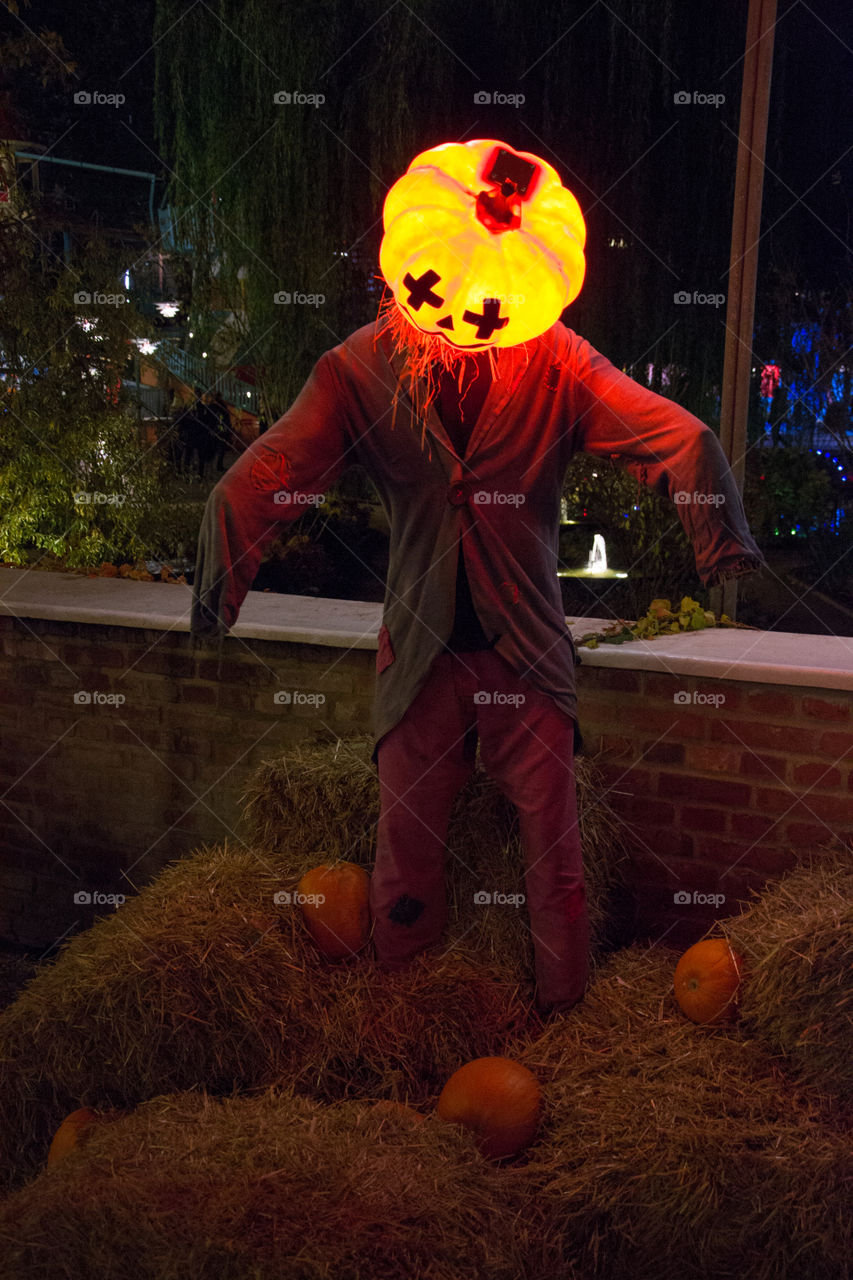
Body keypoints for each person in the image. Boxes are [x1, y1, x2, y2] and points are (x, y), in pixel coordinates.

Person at [191, 140, 765, 1015]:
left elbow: (675, 436)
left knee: (553, 850)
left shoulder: (556, 362)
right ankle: (403, 1011)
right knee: (406, 846)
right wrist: (217, 587)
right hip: (420, 651)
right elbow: (266, 474)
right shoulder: (360, 369)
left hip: (524, 651)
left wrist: (718, 538)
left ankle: (561, 1013)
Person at [209, 391, 233, 472]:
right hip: (218, 430)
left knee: (219, 449)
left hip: (219, 431)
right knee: (219, 449)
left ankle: (217, 465)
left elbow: (226, 419)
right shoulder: (216, 407)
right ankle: (217, 465)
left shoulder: (217, 407)